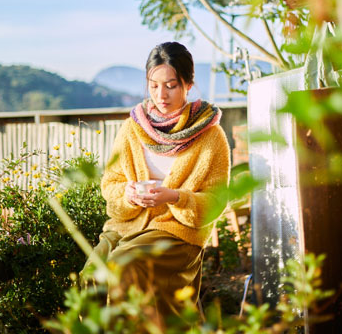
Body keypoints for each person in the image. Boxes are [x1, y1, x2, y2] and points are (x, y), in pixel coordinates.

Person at [81, 41, 231, 317]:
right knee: (92, 275)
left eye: (171, 85)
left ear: (188, 84)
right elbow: (111, 182)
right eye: (154, 85)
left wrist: (175, 197)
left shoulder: (210, 136)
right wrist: (127, 194)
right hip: (128, 225)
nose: (161, 95)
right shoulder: (133, 128)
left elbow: (217, 200)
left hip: (176, 232)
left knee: (123, 270)